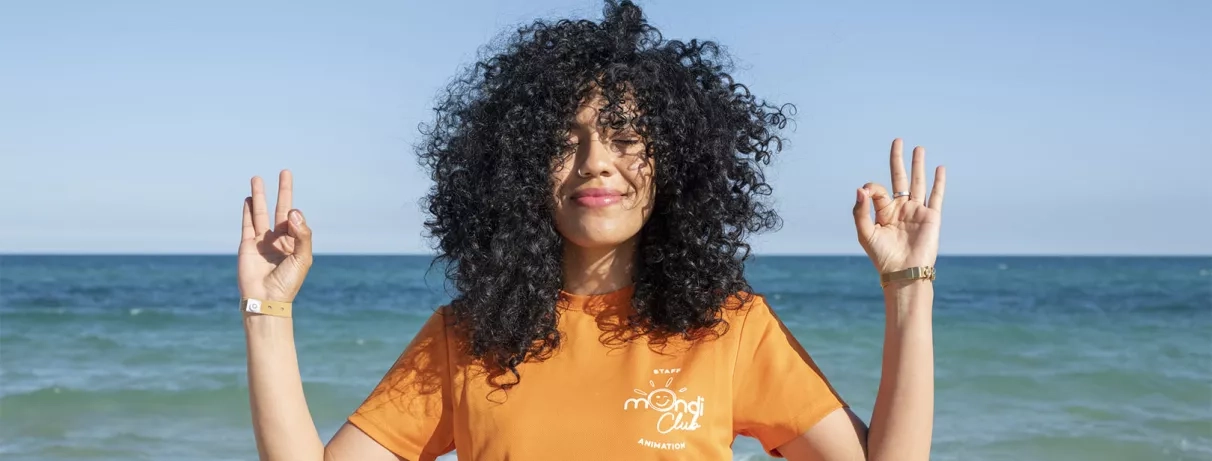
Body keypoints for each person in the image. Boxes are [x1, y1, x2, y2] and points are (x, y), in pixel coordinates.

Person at [236, 1, 945, 460]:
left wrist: (909, 287)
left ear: (673, 161)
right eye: (564, 140)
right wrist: (268, 311)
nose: (595, 162)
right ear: (519, 167)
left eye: (626, 137)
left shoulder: (731, 329)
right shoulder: (469, 335)